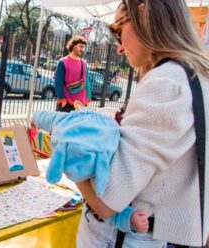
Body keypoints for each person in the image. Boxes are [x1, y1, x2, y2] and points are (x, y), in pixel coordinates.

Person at [74, 0, 209, 247]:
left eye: (117, 29)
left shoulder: (167, 82)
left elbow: (106, 201)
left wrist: (72, 155)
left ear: (143, 14)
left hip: (132, 237)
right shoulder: (197, 77)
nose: (119, 48)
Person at [54, 36, 91, 112]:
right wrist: (62, 99)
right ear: (74, 45)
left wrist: (89, 97)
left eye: (84, 47)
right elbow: (58, 83)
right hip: (67, 103)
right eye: (80, 46)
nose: (82, 49)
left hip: (82, 104)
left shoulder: (83, 63)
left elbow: (86, 82)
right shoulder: (63, 62)